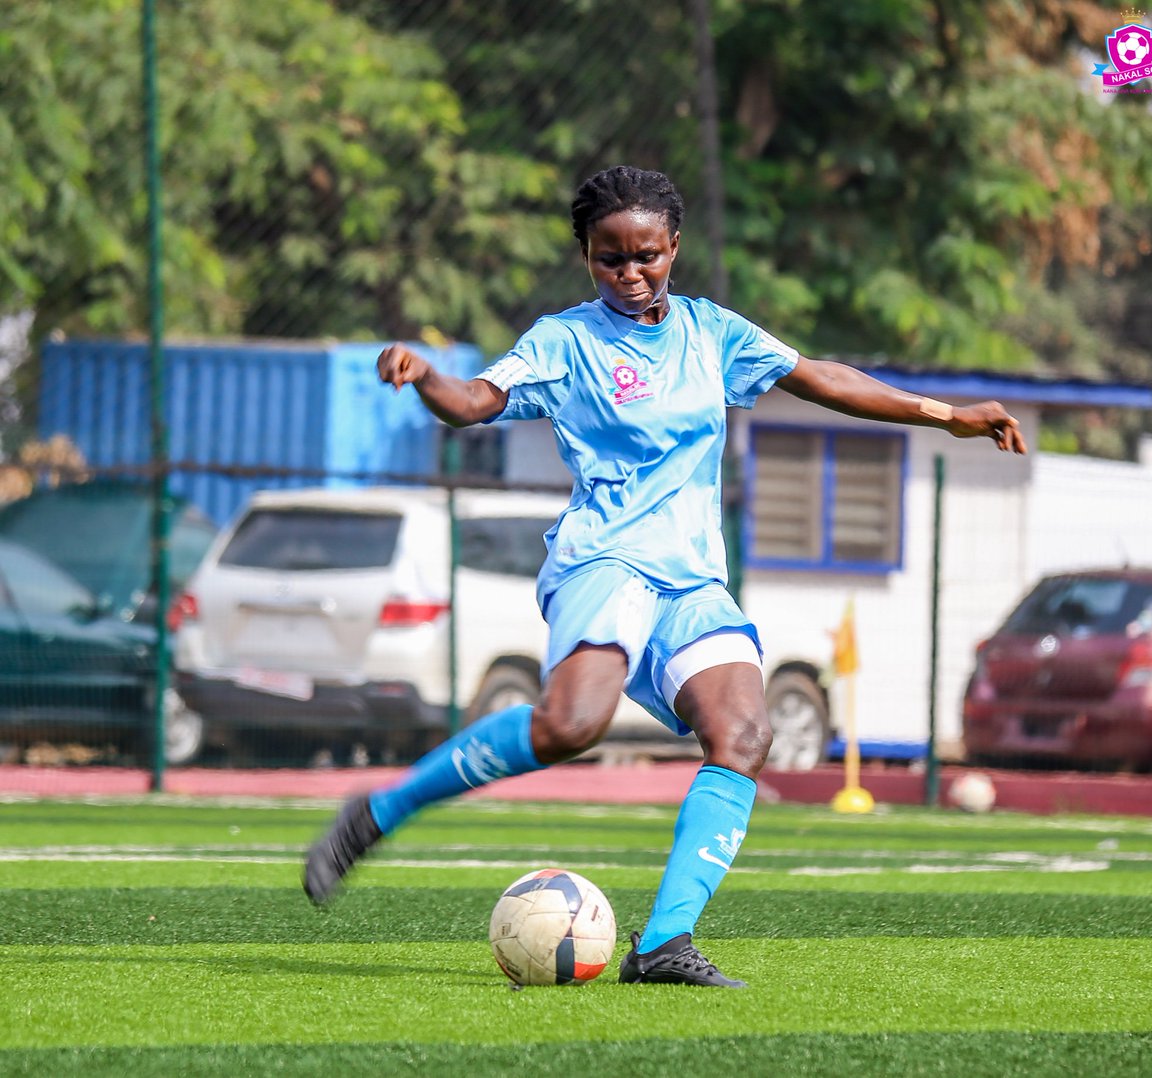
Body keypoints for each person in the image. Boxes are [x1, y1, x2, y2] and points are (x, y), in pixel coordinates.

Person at [303, 164, 1026, 987]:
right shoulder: (565, 342)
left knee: (743, 735)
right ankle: (376, 815)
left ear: (674, 247)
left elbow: (823, 377)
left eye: (647, 254)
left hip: (690, 582)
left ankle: (663, 944)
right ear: (586, 256)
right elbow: (473, 400)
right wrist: (425, 374)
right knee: (570, 727)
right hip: (605, 560)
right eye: (610, 257)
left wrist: (951, 416)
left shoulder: (711, 332)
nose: (631, 272)